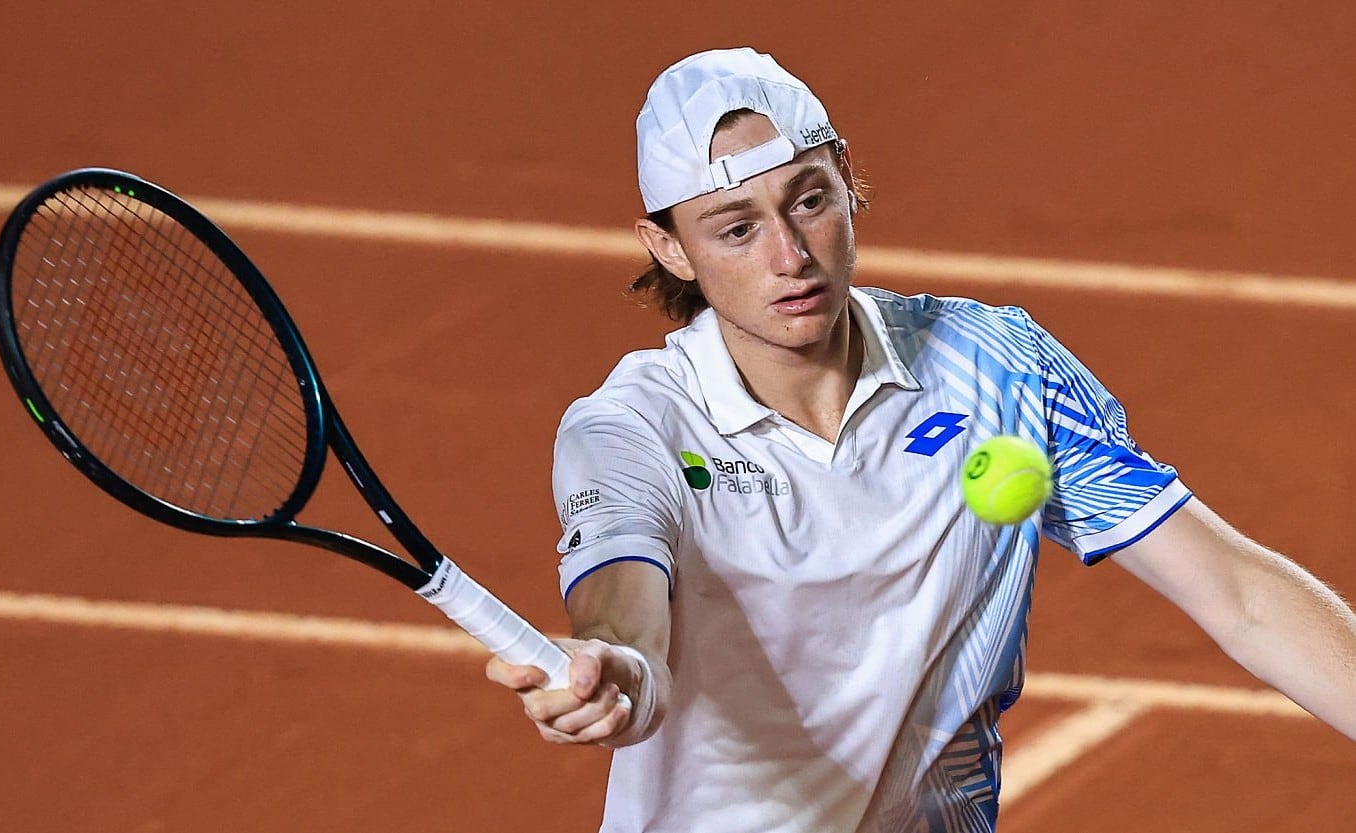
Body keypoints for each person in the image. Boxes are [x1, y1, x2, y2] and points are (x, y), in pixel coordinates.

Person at [486, 47, 1356, 832]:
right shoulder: (632, 427)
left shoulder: (998, 369)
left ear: (845, 178)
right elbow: (625, 619)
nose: (791, 256)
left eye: (809, 201)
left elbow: (1238, 592)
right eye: (737, 228)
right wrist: (618, 673)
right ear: (669, 248)